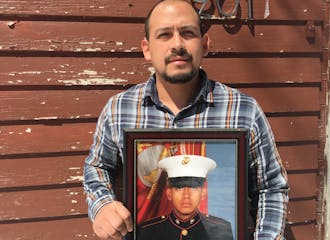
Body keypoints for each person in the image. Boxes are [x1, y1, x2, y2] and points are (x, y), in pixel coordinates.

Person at [83, 0, 289, 239]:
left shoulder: (244, 111)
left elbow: (271, 187)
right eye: (165, 35)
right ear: (147, 49)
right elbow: (97, 166)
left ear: (205, 44)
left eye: (188, 33)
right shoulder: (119, 109)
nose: (177, 44)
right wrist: (101, 205)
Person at [137, 155, 234, 240]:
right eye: (179, 188)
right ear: (169, 193)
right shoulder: (148, 231)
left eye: (193, 188)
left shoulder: (221, 229)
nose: (186, 195)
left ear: (203, 193)